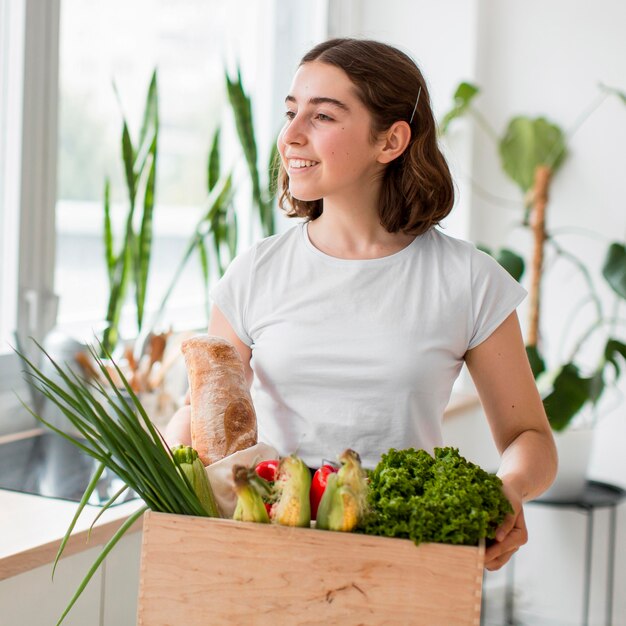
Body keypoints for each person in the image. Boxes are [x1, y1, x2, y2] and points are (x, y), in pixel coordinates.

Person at [165, 37, 557, 571]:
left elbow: (529, 438)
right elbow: (207, 414)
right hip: (270, 549)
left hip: (408, 556)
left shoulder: (467, 280)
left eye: (322, 116)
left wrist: (507, 490)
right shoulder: (256, 272)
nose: (291, 135)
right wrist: (165, 458)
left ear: (390, 141)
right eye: (290, 112)